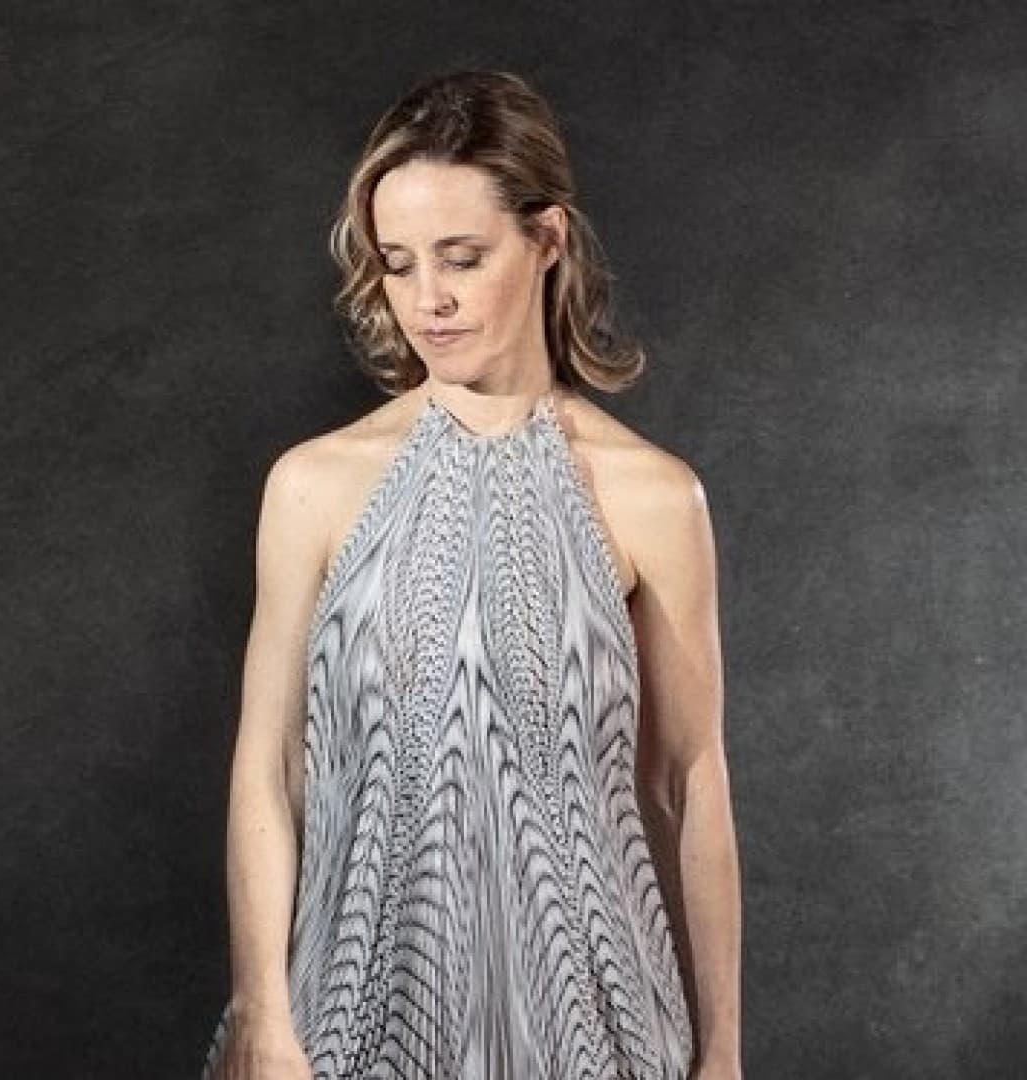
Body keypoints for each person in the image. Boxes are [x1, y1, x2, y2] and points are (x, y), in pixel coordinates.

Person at [202, 68, 742, 1080]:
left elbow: (687, 782)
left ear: (547, 240)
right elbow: (269, 766)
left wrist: (723, 1053)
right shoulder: (314, 485)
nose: (429, 301)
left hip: (600, 1028)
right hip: (353, 1020)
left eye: (462, 257)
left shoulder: (656, 497)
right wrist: (262, 1013)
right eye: (398, 265)